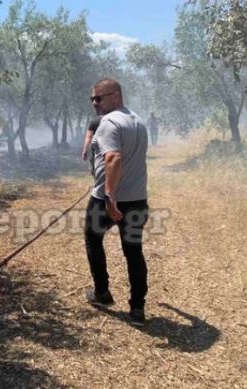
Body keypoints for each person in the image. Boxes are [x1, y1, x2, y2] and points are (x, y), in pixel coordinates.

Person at [84, 78, 150, 326]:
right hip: (137, 199)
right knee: (134, 252)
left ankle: (102, 292)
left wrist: (110, 197)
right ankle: (138, 309)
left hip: (108, 200)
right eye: (92, 98)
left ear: (116, 96)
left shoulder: (109, 122)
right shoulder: (137, 120)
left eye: (99, 98)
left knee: (92, 238)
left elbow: (113, 159)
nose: (95, 103)